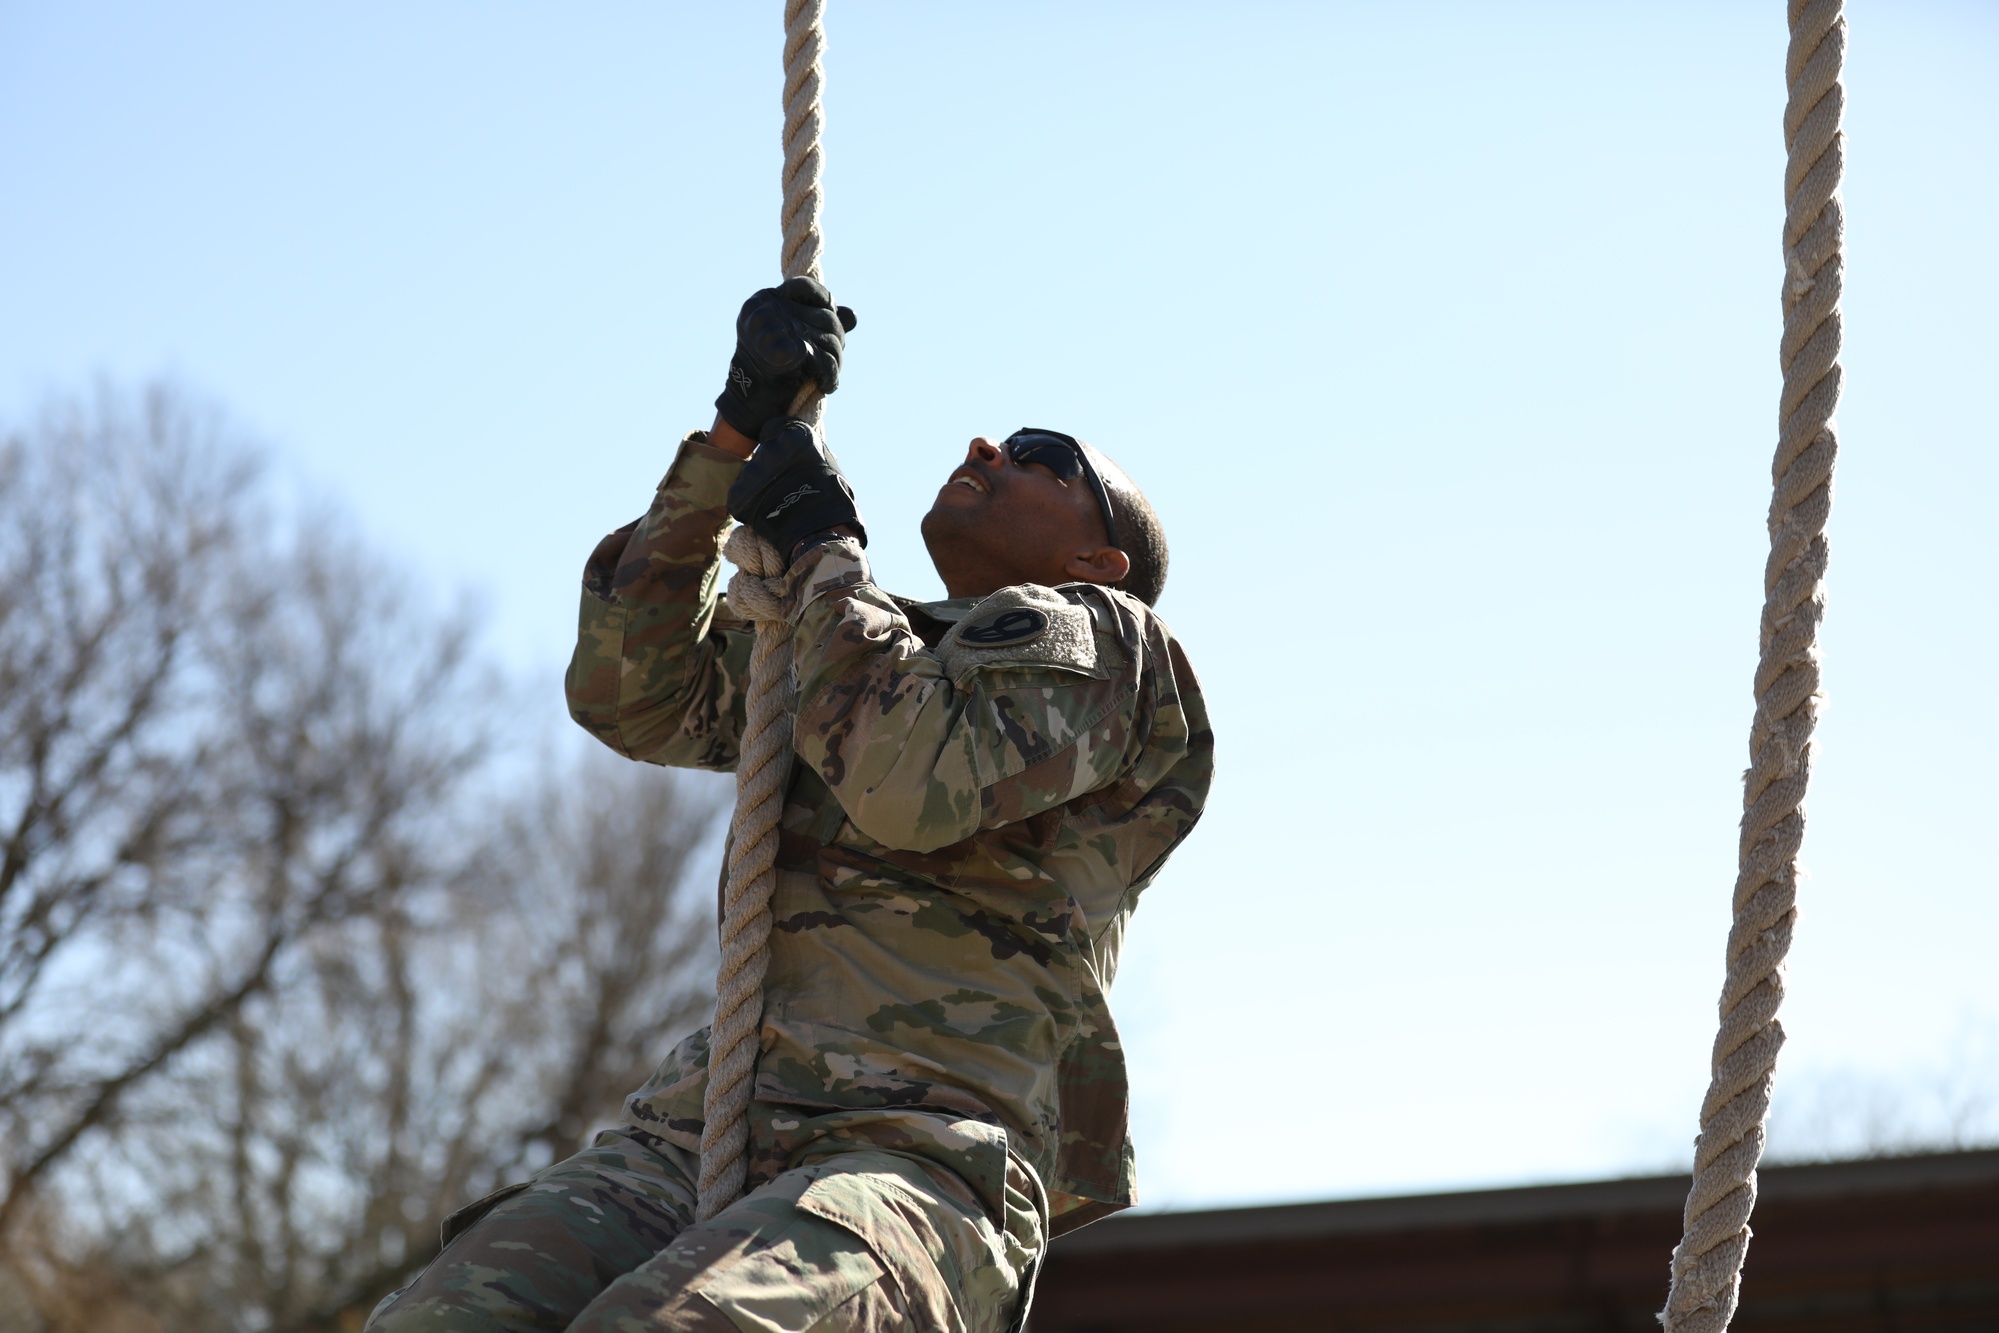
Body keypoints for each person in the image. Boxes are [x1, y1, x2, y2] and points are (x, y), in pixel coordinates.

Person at [368, 279, 1213, 1333]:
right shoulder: (842, 641)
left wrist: (822, 546)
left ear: (1099, 561)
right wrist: (733, 439)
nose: (990, 446)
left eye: (1044, 455)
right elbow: (631, 693)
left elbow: (911, 782)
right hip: (694, 1139)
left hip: (908, 1159)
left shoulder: (1109, 645)